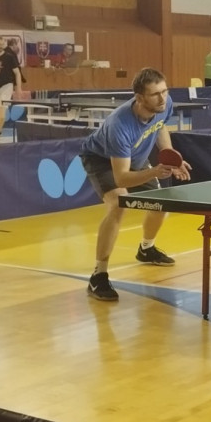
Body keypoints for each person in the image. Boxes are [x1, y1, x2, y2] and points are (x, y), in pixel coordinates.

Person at [79, 68, 192, 301]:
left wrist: (169, 154)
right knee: (118, 204)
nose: (162, 98)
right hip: (102, 160)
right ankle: (98, 275)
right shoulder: (119, 125)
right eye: (155, 94)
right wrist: (155, 171)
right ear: (139, 98)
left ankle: (146, 249)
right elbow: (121, 177)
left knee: (161, 204)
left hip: (135, 158)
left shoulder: (164, 104)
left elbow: (160, 126)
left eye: (165, 91)